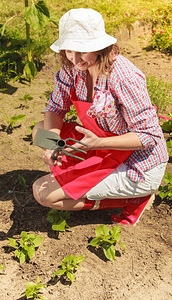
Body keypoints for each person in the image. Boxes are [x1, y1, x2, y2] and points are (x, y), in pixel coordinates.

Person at [32, 8, 168, 225]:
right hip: (96, 143)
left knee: (42, 193)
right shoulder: (72, 68)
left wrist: (100, 142)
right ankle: (79, 173)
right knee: (40, 131)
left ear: (99, 46)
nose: (75, 59)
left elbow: (150, 135)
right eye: (68, 51)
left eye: (82, 51)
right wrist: (52, 146)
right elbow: (56, 108)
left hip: (135, 161)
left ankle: (133, 198)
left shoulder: (123, 77)